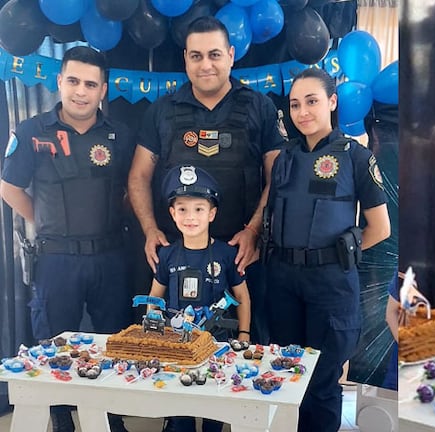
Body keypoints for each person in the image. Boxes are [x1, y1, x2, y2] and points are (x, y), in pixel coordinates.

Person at [128, 15, 285, 345]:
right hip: (178, 256)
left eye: (214, 54)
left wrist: (254, 231)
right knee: (172, 355)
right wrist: (150, 229)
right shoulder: (162, 110)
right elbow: (139, 177)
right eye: (196, 56)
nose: (206, 65)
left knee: (243, 356)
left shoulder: (260, 107)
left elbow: (278, 178)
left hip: (240, 255)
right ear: (185, 58)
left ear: (231, 54)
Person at [0, 46, 133, 432]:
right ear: (59, 82)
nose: (80, 91)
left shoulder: (119, 136)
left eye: (90, 84)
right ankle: (61, 419)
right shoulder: (31, 133)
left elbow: (132, 189)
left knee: (112, 343)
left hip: (109, 256)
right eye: (73, 81)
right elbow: (9, 187)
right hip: (56, 260)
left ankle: (111, 419)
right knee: (53, 345)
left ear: (103, 90)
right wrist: (43, 222)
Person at [264, 67, 390, 432]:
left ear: (332, 102)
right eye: (295, 104)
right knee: (286, 376)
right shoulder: (285, 158)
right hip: (284, 279)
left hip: (330, 283)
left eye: (312, 101)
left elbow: (380, 228)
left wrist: (341, 254)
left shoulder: (355, 155)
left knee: (321, 382)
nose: (302, 112)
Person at [148, 164, 251, 432]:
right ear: (172, 213)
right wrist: (153, 330)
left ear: (212, 213)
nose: (190, 217)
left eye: (199, 209)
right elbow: (154, 298)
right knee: (180, 410)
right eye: (182, 209)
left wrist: (244, 334)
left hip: (216, 344)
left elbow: (242, 296)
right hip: (176, 347)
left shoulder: (226, 254)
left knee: (213, 409)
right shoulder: (168, 255)